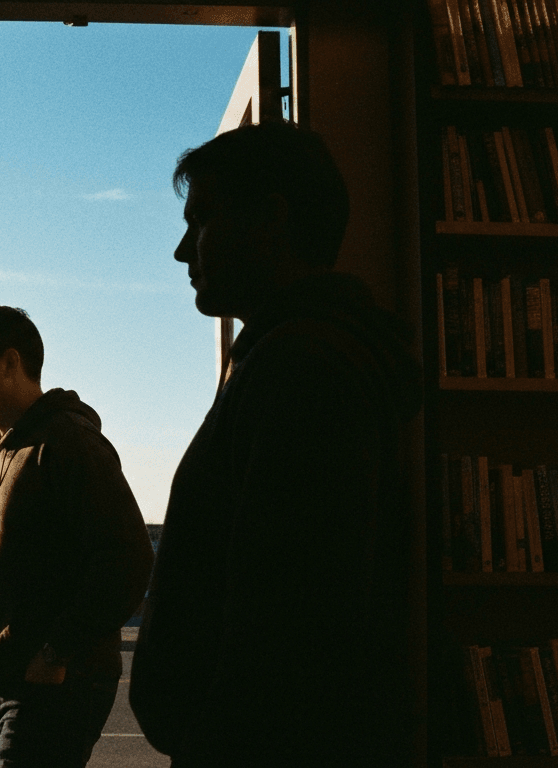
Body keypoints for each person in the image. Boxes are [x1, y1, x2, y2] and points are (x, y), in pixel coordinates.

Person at [129, 121, 423, 766]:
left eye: (201, 218)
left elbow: (290, 620)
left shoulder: (302, 370)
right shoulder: (306, 356)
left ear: (270, 219)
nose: (184, 251)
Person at [0, 305, 154, 768]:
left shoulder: (68, 442)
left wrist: (56, 650)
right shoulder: (8, 443)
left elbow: (129, 559)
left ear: (9, 363)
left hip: (55, 686)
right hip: (2, 679)